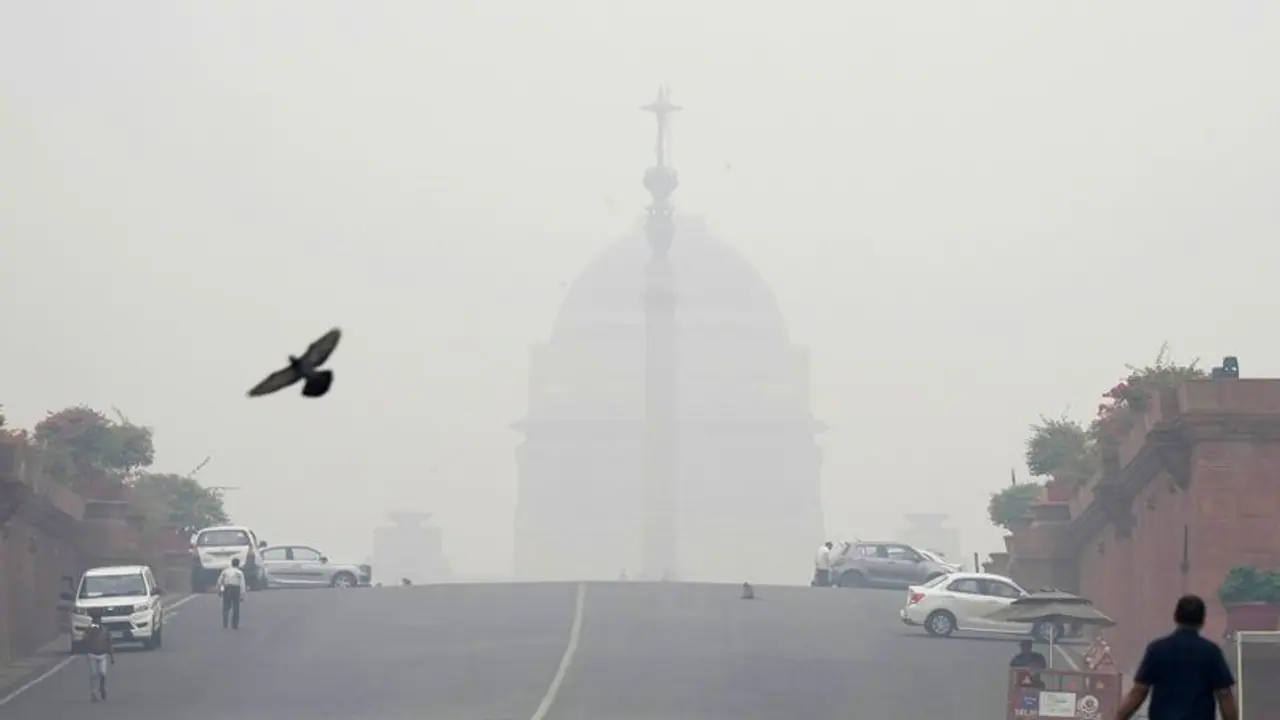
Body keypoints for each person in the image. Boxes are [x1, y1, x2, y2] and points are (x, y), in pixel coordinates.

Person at [1115, 594, 1238, 720]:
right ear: (1202, 620)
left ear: (1176, 617)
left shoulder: (1157, 650)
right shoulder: (1212, 652)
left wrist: (1118, 717)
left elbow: (1138, 692)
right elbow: (1224, 695)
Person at [82, 621, 114, 702]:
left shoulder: (105, 630)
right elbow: (84, 639)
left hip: (102, 655)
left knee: (103, 673)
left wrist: (111, 656)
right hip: (91, 654)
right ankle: (93, 692)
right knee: (93, 674)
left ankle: (102, 687)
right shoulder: (89, 629)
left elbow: (109, 643)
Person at [217, 557, 246, 630]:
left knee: (226, 606)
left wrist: (220, 590)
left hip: (226, 588)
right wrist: (242, 595)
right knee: (236, 607)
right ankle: (234, 624)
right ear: (238, 564)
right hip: (236, 589)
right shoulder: (239, 572)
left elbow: (220, 582)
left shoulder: (225, 571)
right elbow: (242, 584)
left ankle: (225, 624)